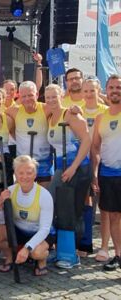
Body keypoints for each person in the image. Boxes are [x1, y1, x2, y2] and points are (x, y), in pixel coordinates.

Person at [45, 84, 91, 268]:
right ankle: (60, 249)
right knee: (56, 205)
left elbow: (87, 139)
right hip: (61, 167)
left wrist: (73, 167)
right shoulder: (49, 116)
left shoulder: (70, 114)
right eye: (47, 97)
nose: (50, 100)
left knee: (73, 210)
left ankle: (72, 253)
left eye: (54, 97)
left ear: (61, 95)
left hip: (78, 169)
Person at [0, 155, 55, 276]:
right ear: (15, 174)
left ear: (35, 175)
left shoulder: (44, 195)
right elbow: (1, 221)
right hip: (18, 230)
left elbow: (45, 229)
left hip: (40, 233)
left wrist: (27, 248)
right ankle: (10, 257)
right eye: (21, 173)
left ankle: (42, 260)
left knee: (36, 252)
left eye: (29, 173)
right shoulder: (10, 191)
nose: (25, 177)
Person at [91, 74, 121, 271]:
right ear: (106, 91)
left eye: (118, 87)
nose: (115, 91)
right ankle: (118, 255)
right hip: (108, 174)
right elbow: (95, 147)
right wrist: (95, 173)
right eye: (111, 87)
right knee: (112, 216)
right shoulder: (101, 117)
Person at [80, 78, 109, 261]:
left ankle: (106, 246)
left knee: (106, 206)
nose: (89, 94)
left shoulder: (106, 111)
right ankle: (86, 242)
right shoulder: (77, 110)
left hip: (104, 161)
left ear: (99, 91)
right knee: (87, 202)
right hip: (83, 162)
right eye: (86, 91)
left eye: (92, 90)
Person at [6, 81, 53, 187]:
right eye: (24, 96)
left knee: (45, 193)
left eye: (30, 95)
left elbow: (62, 110)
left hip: (43, 160)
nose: (27, 99)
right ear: (19, 96)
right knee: (21, 194)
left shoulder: (46, 109)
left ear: (36, 95)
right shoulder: (13, 111)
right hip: (23, 162)